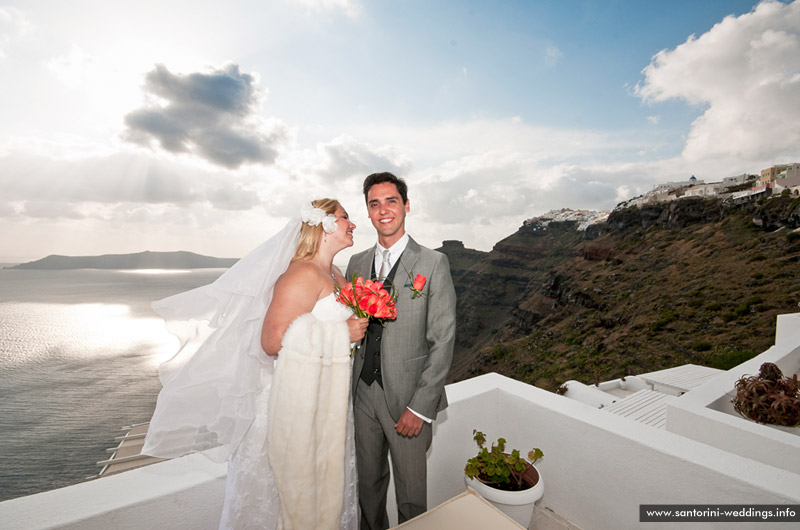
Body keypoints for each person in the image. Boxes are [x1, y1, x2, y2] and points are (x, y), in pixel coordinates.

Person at [141, 199, 368, 530]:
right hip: (295, 402)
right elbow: (272, 341)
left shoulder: (335, 273)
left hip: (327, 398)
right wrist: (341, 332)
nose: (353, 225)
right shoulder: (302, 273)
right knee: (284, 494)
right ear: (325, 225)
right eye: (346, 218)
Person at [346, 173, 457, 529]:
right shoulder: (357, 264)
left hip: (408, 401)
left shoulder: (432, 263)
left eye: (391, 201)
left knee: (411, 495)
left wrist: (420, 408)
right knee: (369, 488)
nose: (383, 210)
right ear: (368, 212)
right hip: (363, 394)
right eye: (374, 204)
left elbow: (443, 341)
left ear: (406, 206)